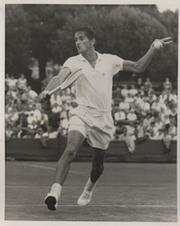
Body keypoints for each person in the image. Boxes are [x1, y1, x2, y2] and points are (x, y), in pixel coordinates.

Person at [40, 26, 172, 210]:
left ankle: (88, 189)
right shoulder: (73, 61)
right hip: (82, 112)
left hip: (103, 119)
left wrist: (153, 49)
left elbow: (138, 67)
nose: (77, 42)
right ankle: (53, 193)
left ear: (92, 41)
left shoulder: (110, 60)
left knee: (98, 165)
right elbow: (59, 77)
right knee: (70, 150)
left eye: (81, 38)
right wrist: (47, 90)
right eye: (75, 39)